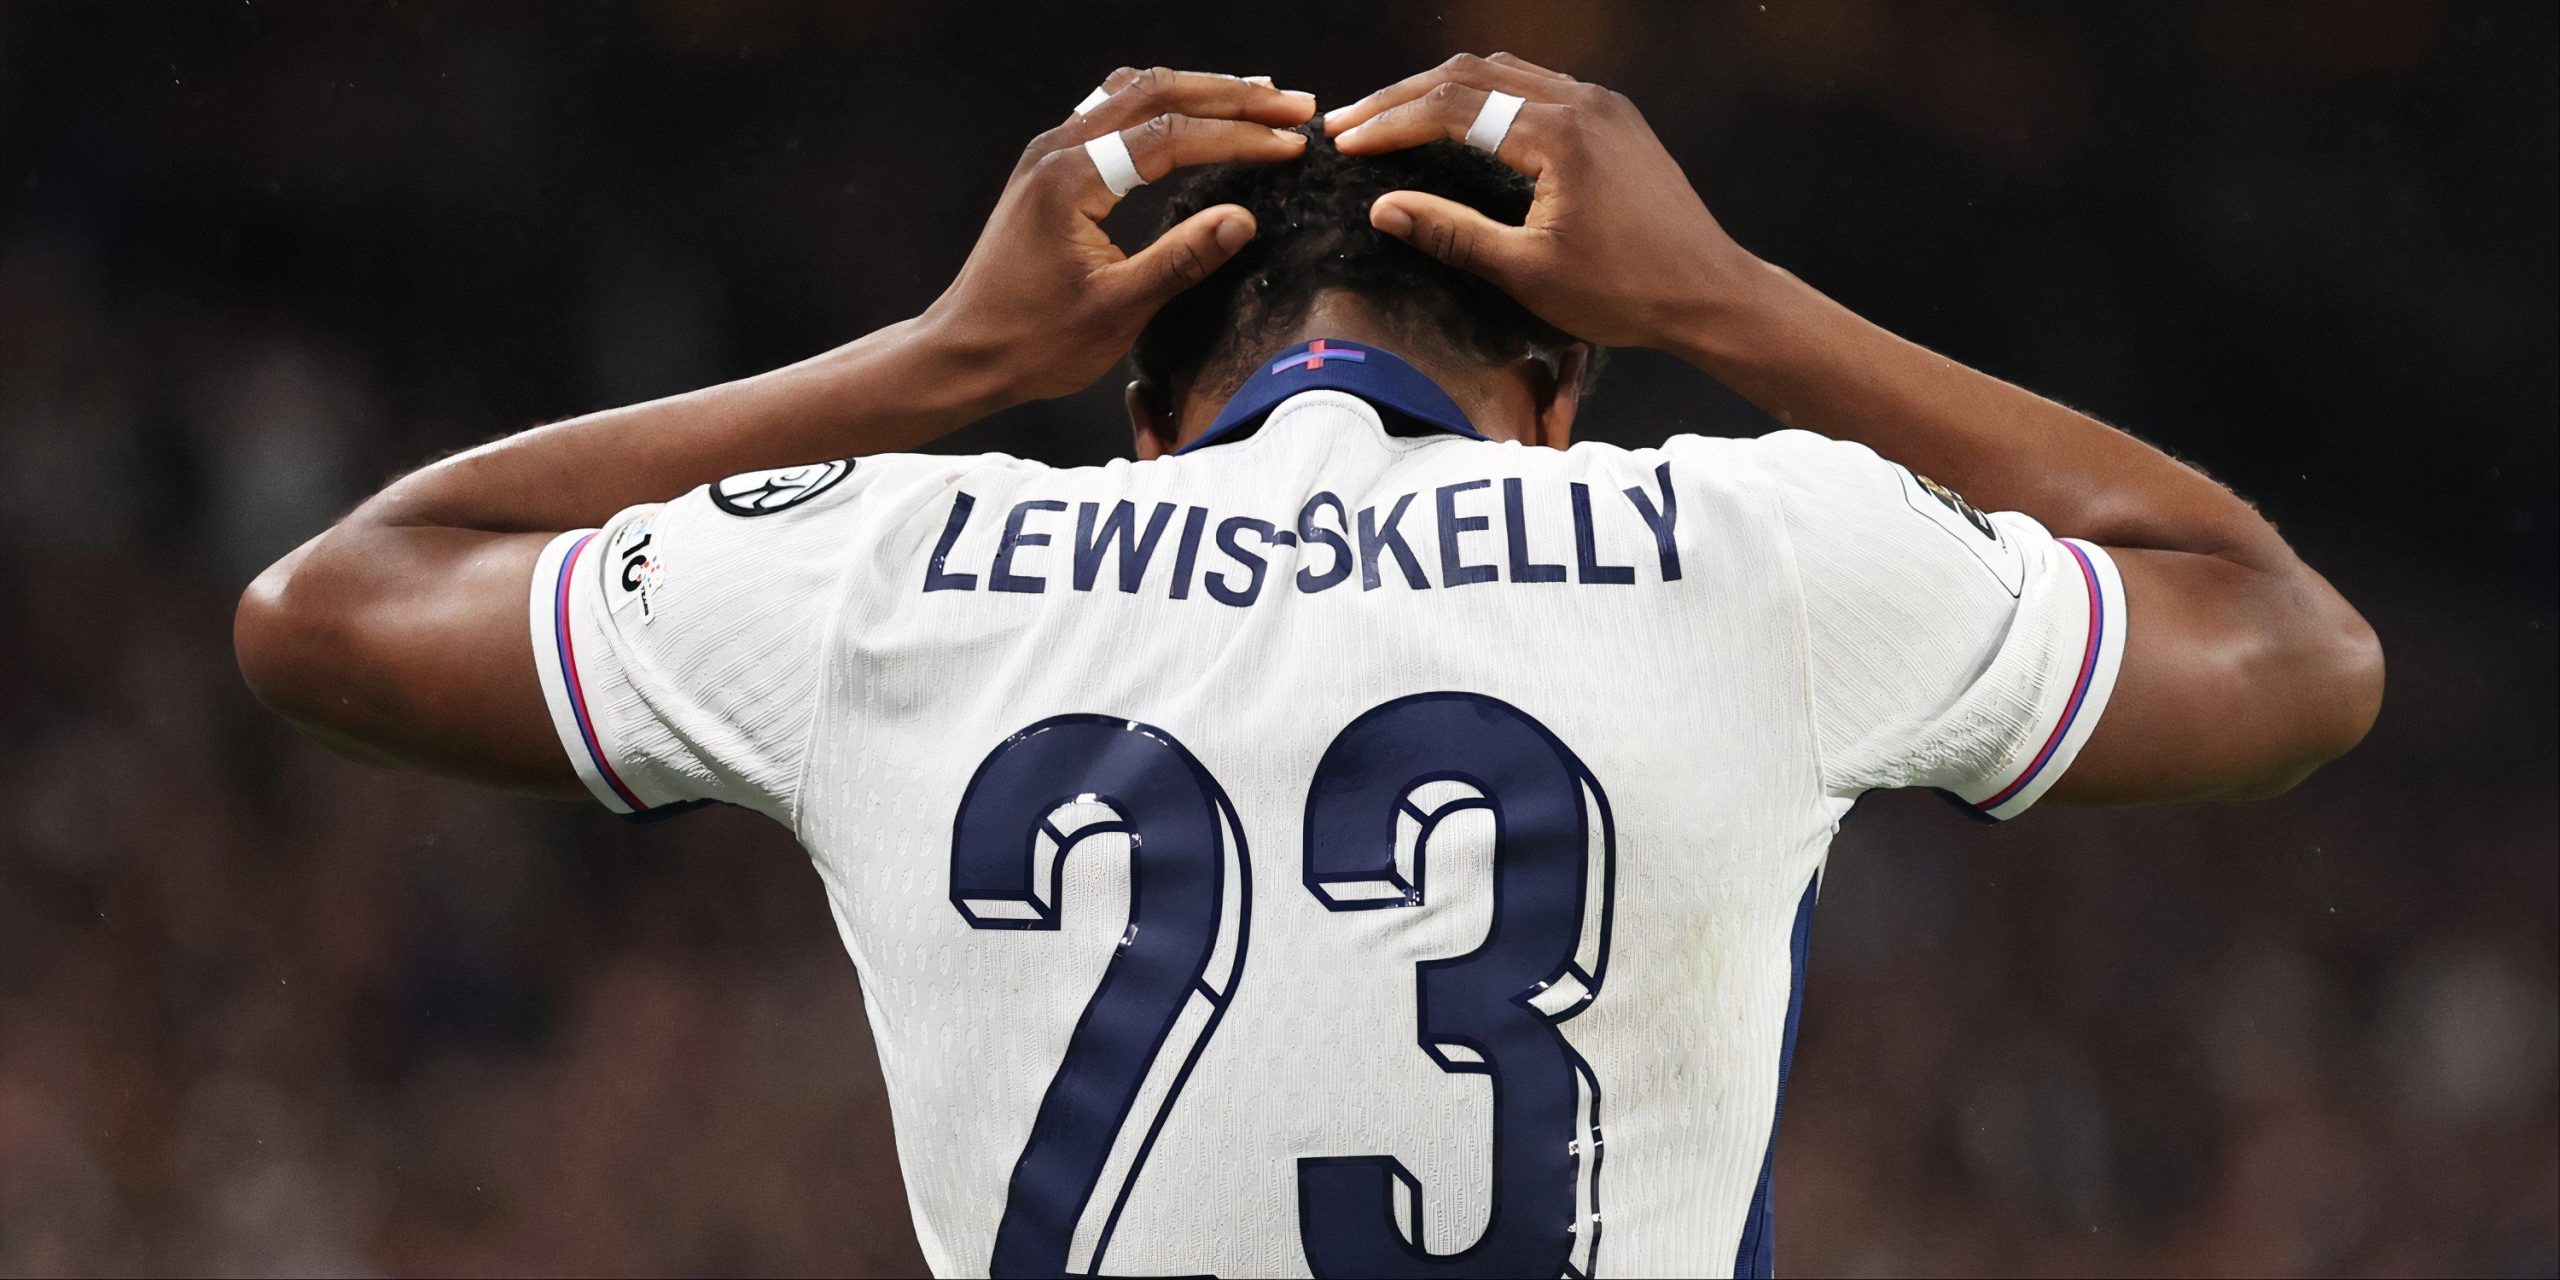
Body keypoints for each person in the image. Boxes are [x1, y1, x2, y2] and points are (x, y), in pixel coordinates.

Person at [234, 57, 2381, 1280]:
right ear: (1563, 391)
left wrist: (936, 361)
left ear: (1139, 420)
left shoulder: (893, 567)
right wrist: (1732, 299)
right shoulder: (1759, 547)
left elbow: (332, 609)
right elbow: (2288, 650)